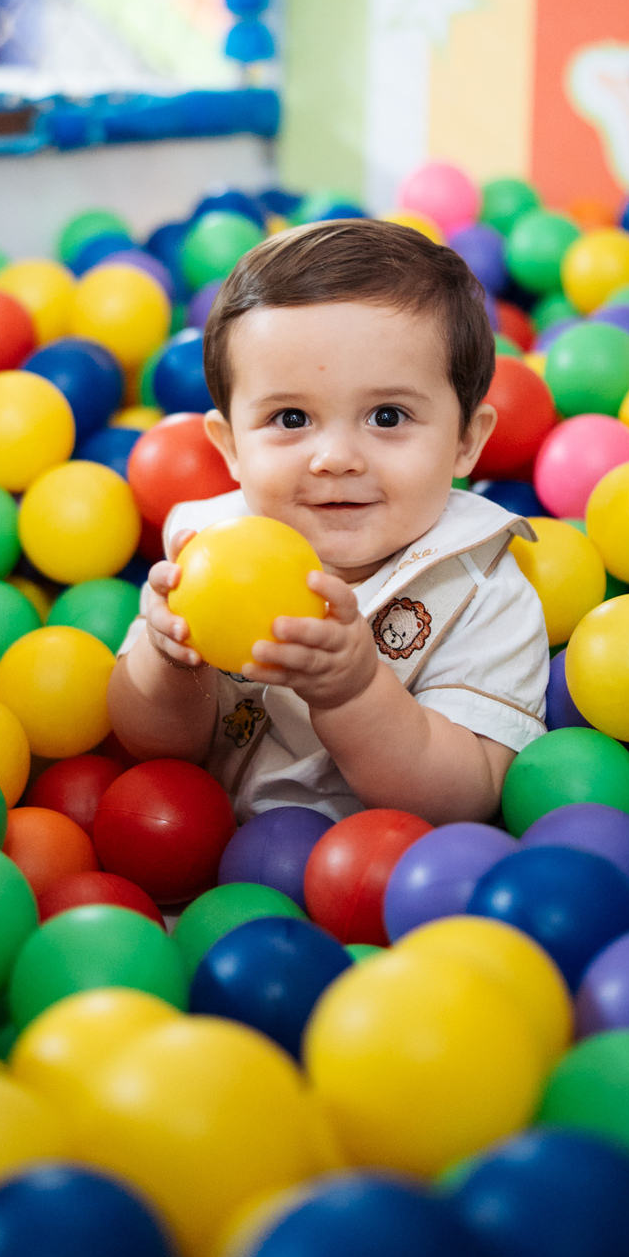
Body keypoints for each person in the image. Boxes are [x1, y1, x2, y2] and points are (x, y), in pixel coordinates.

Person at [107, 220, 548, 824]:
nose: (336, 458)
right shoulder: (203, 553)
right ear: (231, 446)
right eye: (291, 419)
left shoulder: (480, 591)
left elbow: (465, 797)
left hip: (389, 872)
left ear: (466, 440)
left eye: (387, 416)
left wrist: (355, 693)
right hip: (203, 855)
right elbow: (151, 747)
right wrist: (168, 666)